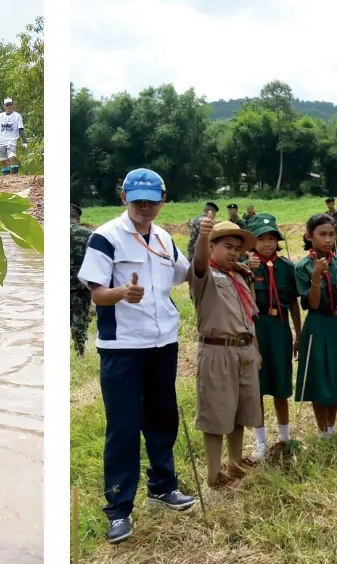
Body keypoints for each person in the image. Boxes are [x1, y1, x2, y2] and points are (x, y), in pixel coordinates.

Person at [77, 168, 197, 544]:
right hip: (123, 347)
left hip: (163, 343)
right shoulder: (106, 237)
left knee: (164, 417)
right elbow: (96, 293)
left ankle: (163, 486)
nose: (145, 207)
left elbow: (186, 276)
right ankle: (119, 510)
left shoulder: (163, 238)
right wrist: (121, 294)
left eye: (152, 200)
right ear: (123, 199)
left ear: (164, 200)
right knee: (124, 429)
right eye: (137, 200)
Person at [187, 217, 264, 489]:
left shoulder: (239, 277)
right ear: (211, 247)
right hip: (218, 350)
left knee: (240, 411)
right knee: (216, 413)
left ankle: (234, 462)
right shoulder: (204, 275)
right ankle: (212, 474)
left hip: (243, 349)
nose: (233, 253)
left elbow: (248, 316)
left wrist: (254, 350)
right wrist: (201, 238)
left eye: (237, 249)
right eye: (227, 247)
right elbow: (197, 263)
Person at [244, 213, 300, 462]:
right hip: (256, 328)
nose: (267, 244)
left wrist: (298, 333)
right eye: (261, 238)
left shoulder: (287, 268)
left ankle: (285, 438)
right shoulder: (244, 266)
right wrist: (248, 272)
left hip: (279, 327)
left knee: (281, 382)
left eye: (271, 238)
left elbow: (294, 303)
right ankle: (261, 442)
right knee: (257, 385)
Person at [295, 213, 337, 437]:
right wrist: (316, 274)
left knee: (335, 375)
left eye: (332, 235)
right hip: (318, 325)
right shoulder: (303, 267)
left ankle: (332, 428)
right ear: (309, 237)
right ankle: (322, 431)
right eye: (322, 234)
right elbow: (313, 303)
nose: (328, 240)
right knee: (319, 377)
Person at [70, 204, 95, 356]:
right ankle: (80, 350)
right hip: (81, 285)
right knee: (79, 317)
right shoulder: (88, 234)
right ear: (77, 218)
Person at [0, 98, 25, 176]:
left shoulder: (17, 116)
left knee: (12, 156)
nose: (9, 106)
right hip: (1, 140)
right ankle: (7, 177)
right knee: (3, 159)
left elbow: (21, 129)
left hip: (11, 139)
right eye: (7, 105)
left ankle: (15, 174)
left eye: (10, 104)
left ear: (12, 105)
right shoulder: (0, 116)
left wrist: (24, 141)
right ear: (4, 106)